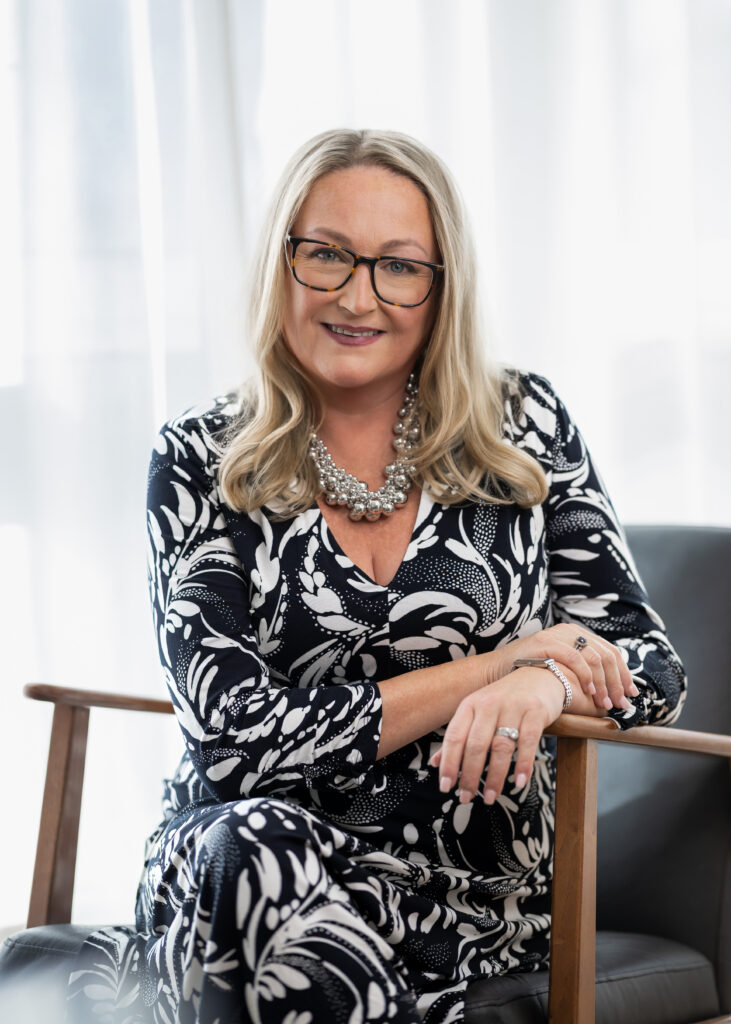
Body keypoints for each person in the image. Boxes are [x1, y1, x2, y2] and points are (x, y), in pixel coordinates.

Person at [69, 129, 686, 1024]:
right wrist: (493, 670)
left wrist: (551, 681)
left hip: (473, 902)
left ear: (441, 288)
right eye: (326, 256)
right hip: (247, 874)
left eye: (398, 267)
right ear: (282, 263)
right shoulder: (203, 458)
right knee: (256, 846)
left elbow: (649, 665)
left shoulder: (524, 426)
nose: (357, 296)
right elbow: (236, 740)